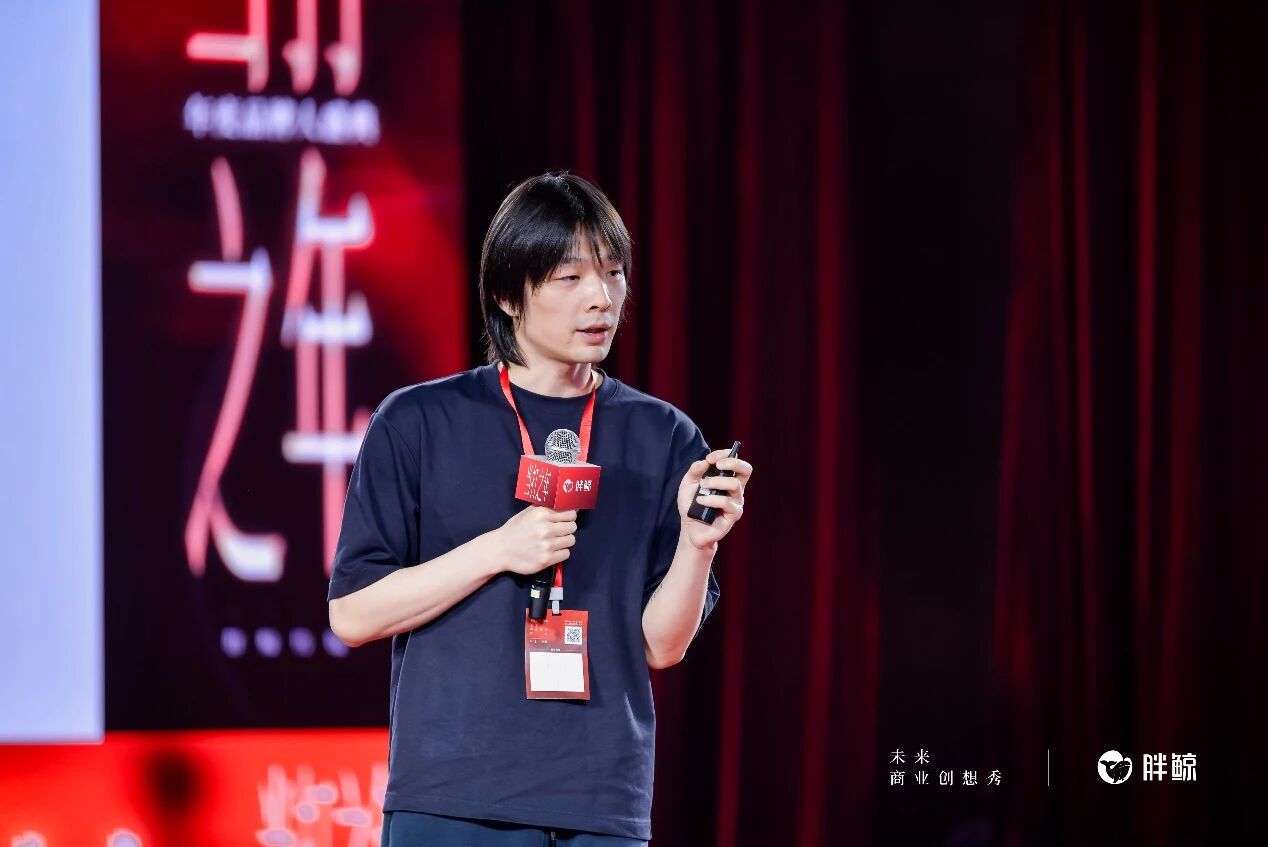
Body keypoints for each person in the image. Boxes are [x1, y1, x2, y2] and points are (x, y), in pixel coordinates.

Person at [328, 172, 753, 846]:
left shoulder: (663, 435)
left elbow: (661, 646)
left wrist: (699, 544)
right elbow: (352, 614)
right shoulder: (419, 421)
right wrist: (498, 550)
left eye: (613, 273)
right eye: (569, 277)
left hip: (601, 803)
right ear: (508, 293)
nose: (601, 297)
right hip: (452, 799)